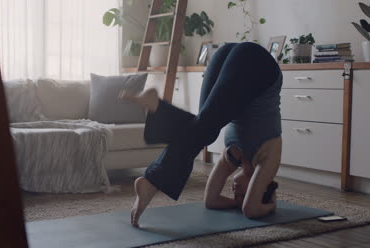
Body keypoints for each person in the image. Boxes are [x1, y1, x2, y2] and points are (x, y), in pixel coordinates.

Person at [120, 42, 283, 227]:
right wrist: (269, 206)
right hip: (258, 65)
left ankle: (156, 107)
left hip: (225, 54)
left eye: (236, 196)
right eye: (241, 194)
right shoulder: (268, 161)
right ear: (260, 189)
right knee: (204, 130)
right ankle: (152, 179)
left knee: (200, 129)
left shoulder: (234, 156)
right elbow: (250, 210)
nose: (235, 191)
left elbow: (210, 201)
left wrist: (234, 203)